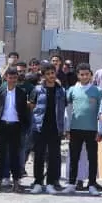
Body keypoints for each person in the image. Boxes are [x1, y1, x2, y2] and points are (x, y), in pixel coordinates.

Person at [64, 63, 102, 194]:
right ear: (78, 75)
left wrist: (100, 130)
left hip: (92, 130)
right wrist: (67, 128)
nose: (84, 76)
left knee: (92, 158)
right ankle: (71, 183)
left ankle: (92, 184)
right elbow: (67, 109)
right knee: (74, 157)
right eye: (82, 74)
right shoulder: (71, 90)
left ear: (91, 75)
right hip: (75, 129)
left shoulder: (97, 91)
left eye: (87, 74)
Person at [29, 65, 66, 194]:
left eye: (53, 73)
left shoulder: (61, 90)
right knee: (38, 155)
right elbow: (31, 106)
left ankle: (50, 183)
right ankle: (38, 182)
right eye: (48, 73)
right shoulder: (37, 90)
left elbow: (63, 108)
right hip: (40, 127)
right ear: (44, 75)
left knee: (53, 156)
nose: (51, 75)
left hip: (55, 128)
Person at [0, 66, 29, 192]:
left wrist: (24, 126)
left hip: (16, 126)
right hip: (2, 125)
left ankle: (16, 182)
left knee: (15, 155)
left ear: (17, 78)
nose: (12, 80)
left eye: (14, 78)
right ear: (6, 78)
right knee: (1, 155)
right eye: (10, 77)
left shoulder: (22, 92)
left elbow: (24, 111)